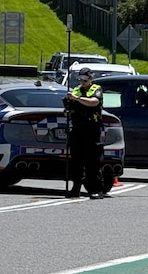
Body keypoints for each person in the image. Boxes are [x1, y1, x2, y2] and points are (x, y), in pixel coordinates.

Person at [63, 67, 105, 199]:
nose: (82, 82)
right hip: (77, 129)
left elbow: (94, 102)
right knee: (76, 161)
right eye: (80, 79)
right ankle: (75, 189)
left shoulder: (96, 89)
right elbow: (69, 108)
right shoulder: (76, 90)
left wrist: (77, 98)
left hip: (92, 130)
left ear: (90, 79)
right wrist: (68, 109)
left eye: (85, 79)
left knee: (92, 161)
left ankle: (95, 189)